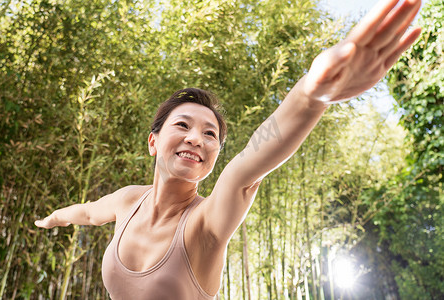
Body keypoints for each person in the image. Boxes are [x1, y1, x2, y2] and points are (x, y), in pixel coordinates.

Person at [35, 0, 423, 298]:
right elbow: (87, 211)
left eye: (210, 135)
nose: (196, 139)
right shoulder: (127, 201)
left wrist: (312, 92)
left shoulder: (206, 222)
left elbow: (250, 160)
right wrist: (56, 217)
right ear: (153, 141)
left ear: (215, 155)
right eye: (183, 125)